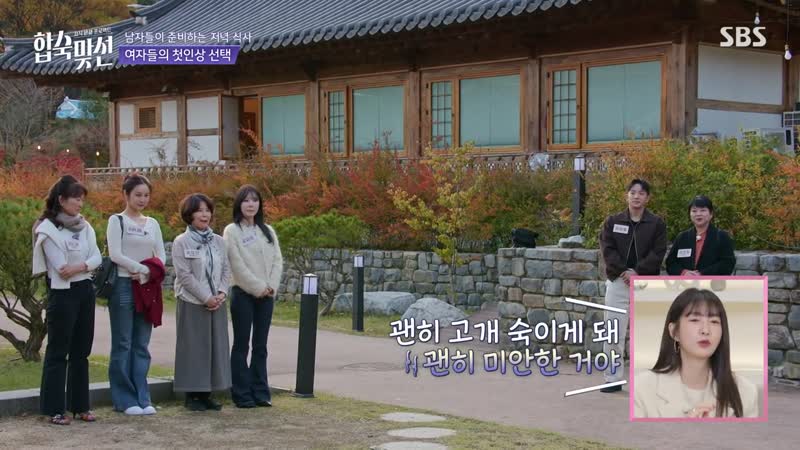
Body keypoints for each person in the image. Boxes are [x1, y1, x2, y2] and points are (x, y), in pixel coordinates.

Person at [32, 175, 102, 425]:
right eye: (76, 199)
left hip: (85, 290)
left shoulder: (85, 226)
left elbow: (97, 257)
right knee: (58, 351)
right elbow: (61, 266)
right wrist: (81, 266)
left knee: (81, 351)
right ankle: (53, 409)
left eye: (82, 199)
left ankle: (80, 406)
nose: (80, 204)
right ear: (61, 200)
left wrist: (80, 267)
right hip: (62, 293)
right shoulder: (47, 229)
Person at [633, 288, 759, 418]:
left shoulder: (745, 392)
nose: (705, 330)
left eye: (714, 321)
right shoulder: (642, 388)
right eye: (694, 320)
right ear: (674, 331)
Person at [599, 178, 667, 393]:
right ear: (627, 196)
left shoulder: (656, 224)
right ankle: (612, 378)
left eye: (641, 193)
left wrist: (637, 271)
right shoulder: (612, 221)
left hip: (645, 283)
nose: (637, 196)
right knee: (613, 332)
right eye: (633, 192)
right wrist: (624, 272)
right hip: (618, 282)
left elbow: (658, 252)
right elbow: (607, 249)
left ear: (648, 198)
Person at [107, 174, 166, 416]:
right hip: (123, 285)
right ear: (126, 195)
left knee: (141, 344)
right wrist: (140, 268)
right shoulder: (117, 221)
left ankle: (143, 397)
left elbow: (161, 256)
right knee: (123, 343)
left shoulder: (152, 223)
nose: (142, 199)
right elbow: (115, 254)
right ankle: (124, 398)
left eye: (146, 195)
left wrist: (146, 274)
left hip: (146, 286)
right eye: (137, 195)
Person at [223, 185, 284, 408]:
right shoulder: (232, 231)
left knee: (261, 345)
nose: (251, 204)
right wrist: (258, 287)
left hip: (267, 295)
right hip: (243, 294)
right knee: (242, 344)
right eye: (246, 200)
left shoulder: (267, 230)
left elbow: (277, 260)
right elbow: (236, 264)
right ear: (239, 204)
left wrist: (271, 287)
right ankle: (241, 393)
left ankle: (261, 392)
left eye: (255, 200)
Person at [171, 193, 232, 411]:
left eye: (207, 210)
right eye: (199, 210)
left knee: (215, 348)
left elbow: (226, 269)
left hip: (217, 302)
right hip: (192, 302)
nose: (204, 215)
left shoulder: (219, 241)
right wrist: (206, 297)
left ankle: (207, 394)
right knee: (193, 348)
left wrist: (221, 293)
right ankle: (192, 396)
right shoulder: (181, 241)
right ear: (189, 214)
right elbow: (184, 275)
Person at [666, 195, 735, 276]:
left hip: (712, 283)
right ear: (689, 214)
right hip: (685, 282)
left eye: (703, 210)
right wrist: (684, 273)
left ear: (711, 214)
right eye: (694, 211)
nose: (698, 214)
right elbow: (670, 263)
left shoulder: (721, 236)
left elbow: (727, 264)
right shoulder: (682, 237)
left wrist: (702, 274)